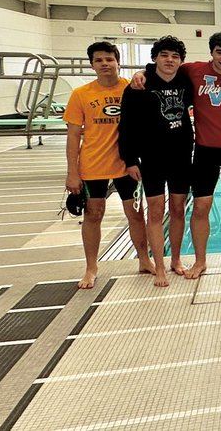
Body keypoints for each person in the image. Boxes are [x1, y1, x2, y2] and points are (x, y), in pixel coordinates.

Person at [131, 31, 221, 277]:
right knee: (201, 206)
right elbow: (164, 67)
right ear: (211, 52)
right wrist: (141, 73)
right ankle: (200, 261)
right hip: (204, 149)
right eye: (219, 52)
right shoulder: (194, 70)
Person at [64, 41, 149, 290]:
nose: (104, 64)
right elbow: (72, 136)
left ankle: (144, 260)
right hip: (92, 165)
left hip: (126, 165)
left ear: (117, 62)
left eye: (109, 59)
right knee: (93, 215)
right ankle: (91, 267)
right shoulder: (81, 95)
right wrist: (72, 172)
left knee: (135, 214)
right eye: (99, 60)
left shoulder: (131, 88)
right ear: (92, 65)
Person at [119, 36, 193, 287]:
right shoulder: (138, 86)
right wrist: (130, 159)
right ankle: (159, 265)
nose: (170, 60)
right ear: (155, 58)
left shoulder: (186, 80)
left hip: (182, 155)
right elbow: (125, 126)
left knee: (178, 209)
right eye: (164, 55)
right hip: (151, 157)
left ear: (181, 60)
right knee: (156, 210)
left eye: (175, 56)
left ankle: (176, 259)